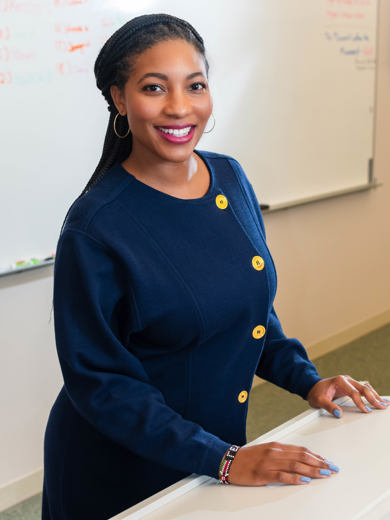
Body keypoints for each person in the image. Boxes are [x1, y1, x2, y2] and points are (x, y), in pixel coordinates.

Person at [42, 13, 388, 520]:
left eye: (195, 85)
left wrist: (307, 380)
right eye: (154, 87)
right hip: (123, 468)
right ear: (119, 99)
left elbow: (248, 314)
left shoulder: (228, 175)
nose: (180, 107)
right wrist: (222, 459)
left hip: (216, 451)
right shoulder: (95, 226)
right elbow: (101, 383)